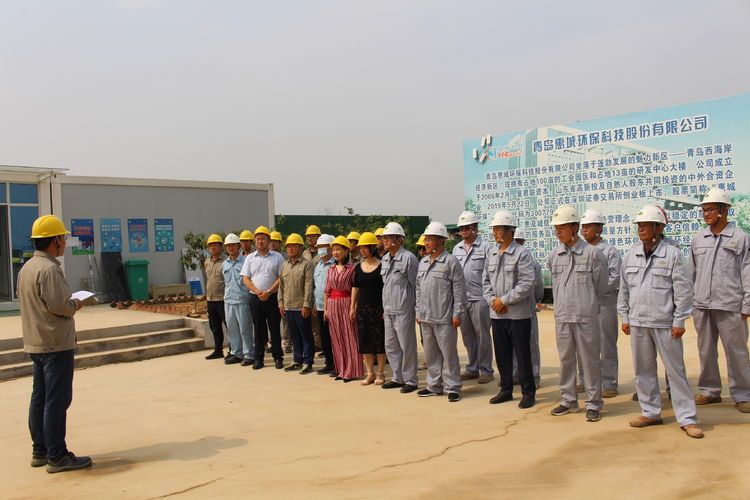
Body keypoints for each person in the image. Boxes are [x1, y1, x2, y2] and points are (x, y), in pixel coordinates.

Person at [619, 205, 703, 438]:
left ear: (658, 228)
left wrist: (680, 320)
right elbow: (624, 290)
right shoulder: (631, 255)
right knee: (643, 371)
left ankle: (687, 418)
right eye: (639, 225)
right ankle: (650, 412)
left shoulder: (673, 254)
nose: (640, 229)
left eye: (645, 225)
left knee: (676, 372)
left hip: (665, 323)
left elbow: (683, 291)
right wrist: (624, 316)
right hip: (638, 323)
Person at [16, 215, 91, 473]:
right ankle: (57, 456)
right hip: (55, 344)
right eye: (63, 238)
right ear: (55, 241)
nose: (65, 243)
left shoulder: (27, 268)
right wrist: (76, 303)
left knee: (40, 398)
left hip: (36, 342)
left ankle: (41, 450)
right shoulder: (49, 269)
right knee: (56, 402)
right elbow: (61, 306)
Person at [689, 187, 750, 413]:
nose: (706, 214)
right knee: (705, 351)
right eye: (704, 210)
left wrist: (747, 304)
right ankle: (709, 391)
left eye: (710, 210)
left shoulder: (741, 238)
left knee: (737, 352)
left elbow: (747, 272)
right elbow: (691, 274)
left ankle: (743, 394)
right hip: (703, 305)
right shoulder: (698, 239)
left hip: (730, 305)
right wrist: (691, 303)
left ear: (724, 211)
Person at [548, 205, 608, 422]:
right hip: (563, 317)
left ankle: (593, 403)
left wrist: (586, 304)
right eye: (556, 228)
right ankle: (568, 400)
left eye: (562, 228)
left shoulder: (593, 254)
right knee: (566, 360)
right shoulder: (555, 255)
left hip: (585, 317)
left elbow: (600, 286)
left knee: (590, 361)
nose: (558, 232)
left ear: (574, 228)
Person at [483, 211, 536, 408]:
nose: (495, 233)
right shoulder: (491, 253)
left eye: (498, 229)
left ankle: (528, 393)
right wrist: (493, 301)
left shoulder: (522, 253)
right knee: (502, 355)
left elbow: (526, 283)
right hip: (497, 315)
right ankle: (506, 390)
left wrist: (504, 301)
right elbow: (485, 281)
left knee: (522, 356)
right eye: (494, 229)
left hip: (518, 316)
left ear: (509, 231)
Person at [416, 222, 466, 402]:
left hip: (445, 318)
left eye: (430, 239)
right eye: (426, 240)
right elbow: (418, 289)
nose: (426, 243)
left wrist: (457, 314)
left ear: (440, 240)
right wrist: (418, 311)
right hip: (426, 317)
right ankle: (434, 386)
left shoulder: (451, 262)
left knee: (449, 354)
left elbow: (459, 290)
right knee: (431, 355)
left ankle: (453, 387)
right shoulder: (423, 262)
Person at [578, 208, 622, 398]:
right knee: (583, 344)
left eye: (588, 227)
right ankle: (584, 380)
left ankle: (609, 383)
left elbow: (615, 276)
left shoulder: (609, 251)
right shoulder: (580, 250)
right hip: (583, 305)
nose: (584, 230)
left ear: (599, 228)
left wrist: (594, 291)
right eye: (583, 227)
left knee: (606, 345)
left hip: (604, 304)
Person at [453, 210, 494, 384]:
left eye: (467, 227)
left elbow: (491, 274)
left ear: (475, 228)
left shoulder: (486, 248)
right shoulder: (456, 249)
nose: (463, 230)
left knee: (483, 336)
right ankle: (472, 368)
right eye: (461, 228)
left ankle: (486, 370)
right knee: (467, 336)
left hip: (480, 298)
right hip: (463, 300)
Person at [380, 222, 420, 393]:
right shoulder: (385, 259)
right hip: (389, 310)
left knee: (407, 346)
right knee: (391, 346)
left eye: (388, 237)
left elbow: (417, 285)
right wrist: (384, 309)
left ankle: (411, 380)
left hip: (404, 310)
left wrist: (418, 309)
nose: (385, 240)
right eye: (384, 238)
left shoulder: (409, 258)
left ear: (399, 239)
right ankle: (398, 377)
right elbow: (386, 285)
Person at [241, 225, 285, 370]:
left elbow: (281, 277)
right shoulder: (250, 258)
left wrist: (268, 291)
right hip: (255, 298)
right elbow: (245, 278)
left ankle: (278, 357)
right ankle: (258, 358)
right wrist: (258, 291)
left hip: (272, 298)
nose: (260, 242)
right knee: (258, 329)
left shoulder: (277, 257)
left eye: (263, 239)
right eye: (258, 239)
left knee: (274, 329)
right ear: (255, 241)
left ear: (268, 240)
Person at [324, 236, 363, 382]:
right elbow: (327, 290)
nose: (335, 252)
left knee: (350, 337)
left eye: (338, 249)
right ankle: (341, 369)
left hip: (346, 303)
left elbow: (355, 288)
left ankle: (352, 371)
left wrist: (353, 307)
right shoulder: (330, 269)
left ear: (346, 251)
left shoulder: (352, 268)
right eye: (333, 250)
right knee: (336, 338)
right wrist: (326, 309)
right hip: (333, 305)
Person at [351, 232, 387, 385]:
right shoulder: (358, 267)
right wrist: (352, 307)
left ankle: (380, 373)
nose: (363, 250)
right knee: (365, 340)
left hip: (378, 309)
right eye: (361, 248)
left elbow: (386, 288)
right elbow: (355, 287)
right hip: (363, 309)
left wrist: (385, 308)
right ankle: (370, 373)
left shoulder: (382, 265)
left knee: (379, 341)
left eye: (366, 247)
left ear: (373, 247)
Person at [278, 233, 315, 374]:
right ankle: (297, 360)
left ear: (300, 247)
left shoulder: (307, 265)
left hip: (301, 307)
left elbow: (308, 286)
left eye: (293, 246)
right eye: (288, 246)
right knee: (294, 336)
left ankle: (308, 361)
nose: (290, 249)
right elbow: (281, 286)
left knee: (306, 335)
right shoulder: (285, 265)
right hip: (288, 306)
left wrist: (306, 305)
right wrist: (280, 303)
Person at [513, 228, 543, 388]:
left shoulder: (532, 263)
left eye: (519, 241)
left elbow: (538, 288)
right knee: (512, 345)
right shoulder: (504, 260)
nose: (516, 245)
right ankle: (515, 375)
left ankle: (534, 376)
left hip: (527, 309)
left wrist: (532, 303)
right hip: (510, 310)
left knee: (530, 345)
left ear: (523, 242)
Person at [222, 233, 254, 366]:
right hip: (229, 301)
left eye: (233, 245)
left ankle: (249, 354)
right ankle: (236, 353)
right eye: (228, 246)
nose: (230, 248)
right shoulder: (224, 264)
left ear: (238, 246)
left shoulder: (246, 261)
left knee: (245, 329)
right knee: (232, 329)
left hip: (242, 300)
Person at [313, 234, 336, 375]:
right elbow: (315, 287)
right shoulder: (318, 266)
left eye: (323, 247)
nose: (320, 250)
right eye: (319, 247)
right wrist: (314, 304)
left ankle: (337, 364)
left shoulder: (335, 264)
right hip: (320, 307)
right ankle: (329, 363)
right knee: (325, 338)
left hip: (333, 307)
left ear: (330, 248)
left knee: (335, 338)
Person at [204, 233, 227, 361]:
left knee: (229, 326)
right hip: (211, 299)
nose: (212, 247)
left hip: (223, 299)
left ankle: (234, 350)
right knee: (214, 327)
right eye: (210, 245)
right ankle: (218, 350)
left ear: (221, 246)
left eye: (215, 245)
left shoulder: (226, 261)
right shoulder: (207, 261)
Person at [302, 225, 323, 353]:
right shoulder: (304, 253)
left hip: (318, 287)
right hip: (307, 288)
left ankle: (319, 343)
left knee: (317, 319)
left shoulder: (322, 252)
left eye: (312, 236)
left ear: (318, 237)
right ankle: (312, 342)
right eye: (308, 236)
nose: (309, 238)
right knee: (308, 319)